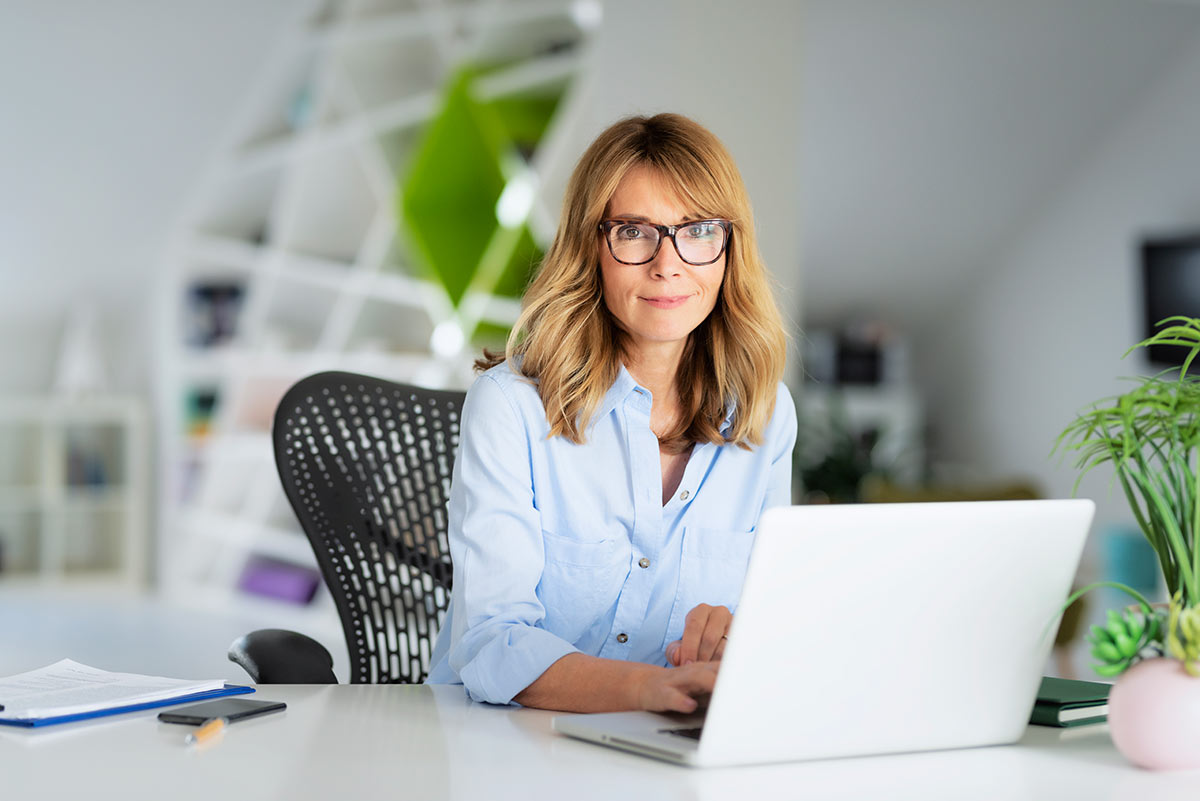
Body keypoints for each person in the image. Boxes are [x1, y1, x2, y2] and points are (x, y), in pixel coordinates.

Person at [426, 113, 795, 713]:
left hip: (666, 745)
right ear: (590, 246)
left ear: (730, 248)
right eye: (633, 231)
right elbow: (492, 642)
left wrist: (737, 640)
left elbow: (773, 617)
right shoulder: (511, 408)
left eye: (698, 230)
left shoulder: (765, 414)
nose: (668, 264)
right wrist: (648, 690)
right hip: (497, 743)